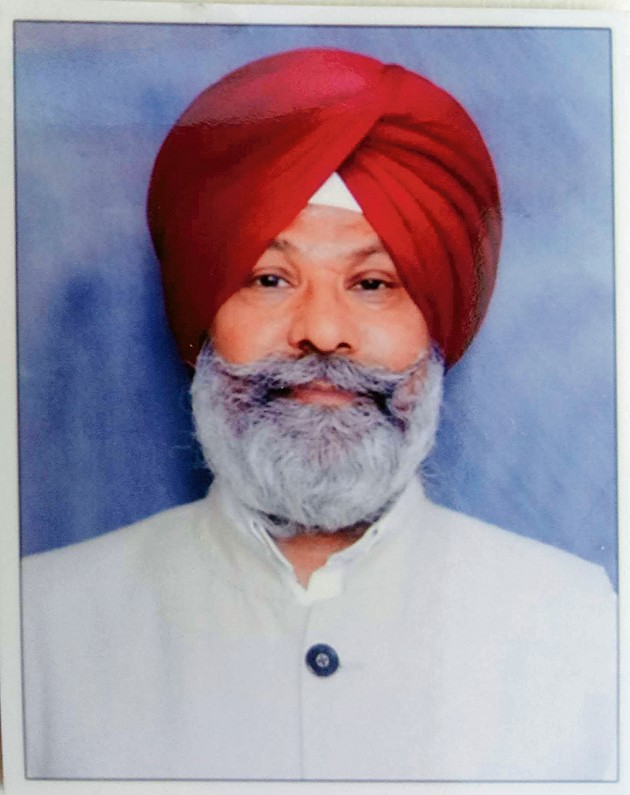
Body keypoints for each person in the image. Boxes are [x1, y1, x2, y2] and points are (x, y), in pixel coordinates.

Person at [22, 48, 616, 781]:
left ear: (435, 329)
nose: (323, 331)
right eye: (270, 279)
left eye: (373, 283)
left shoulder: (580, 628)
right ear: (203, 324)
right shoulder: (40, 625)